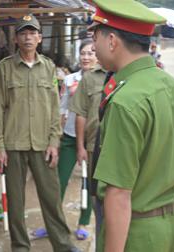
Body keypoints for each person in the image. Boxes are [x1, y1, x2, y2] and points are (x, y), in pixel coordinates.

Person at [88, 0, 174, 251]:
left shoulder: (125, 100)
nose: (92, 46)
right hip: (173, 226)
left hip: (136, 234)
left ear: (112, 40)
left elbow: (119, 194)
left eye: (95, 36)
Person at [0, 14, 78, 252]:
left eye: (32, 33)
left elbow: (54, 108)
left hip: (43, 143)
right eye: (23, 33)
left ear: (39, 37)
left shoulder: (48, 67)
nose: (28, 37)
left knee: (51, 196)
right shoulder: (4, 68)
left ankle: (62, 243)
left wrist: (54, 141)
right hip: (13, 143)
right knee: (16, 201)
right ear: (16, 38)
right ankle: (20, 246)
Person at [57, 39, 97, 240]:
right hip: (70, 137)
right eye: (83, 53)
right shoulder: (69, 79)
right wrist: (57, 135)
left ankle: (83, 222)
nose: (86, 57)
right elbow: (62, 109)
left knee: (89, 183)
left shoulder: (106, 79)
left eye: (91, 53)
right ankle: (55, 223)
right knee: (59, 180)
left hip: (93, 141)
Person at [68, 62, 107, 244]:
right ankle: (100, 241)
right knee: (97, 197)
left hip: (123, 147)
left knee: (118, 197)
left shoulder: (127, 73)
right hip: (94, 148)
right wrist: (80, 146)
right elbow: (81, 114)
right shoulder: (89, 78)